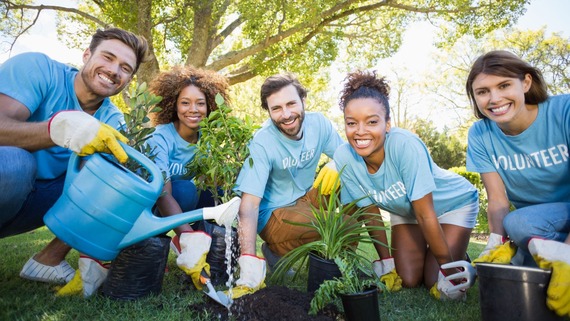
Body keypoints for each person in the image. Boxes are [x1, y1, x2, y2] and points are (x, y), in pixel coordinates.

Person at [0, 27, 149, 288]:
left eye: (125, 68)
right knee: (17, 163)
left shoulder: (113, 121)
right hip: (8, 180)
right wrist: (61, 129)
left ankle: (48, 261)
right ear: (86, 54)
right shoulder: (38, 69)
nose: (114, 70)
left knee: (114, 184)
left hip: (37, 202)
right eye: (107, 57)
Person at [333, 70, 480, 300]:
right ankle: (440, 249)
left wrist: (450, 273)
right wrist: (386, 264)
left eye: (372, 122)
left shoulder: (405, 146)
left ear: (387, 124)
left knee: (434, 279)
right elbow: (368, 212)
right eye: (352, 123)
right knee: (409, 279)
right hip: (407, 212)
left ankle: (457, 257)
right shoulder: (344, 157)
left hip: (452, 205)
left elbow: (426, 214)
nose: (360, 131)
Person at [230, 73, 344, 298]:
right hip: (274, 213)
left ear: (303, 100)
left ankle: (302, 256)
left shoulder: (319, 123)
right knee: (341, 227)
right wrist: (249, 266)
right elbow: (249, 205)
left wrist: (338, 163)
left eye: (291, 103)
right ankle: (280, 247)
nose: (286, 114)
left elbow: (348, 157)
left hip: (305, 199)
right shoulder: (263, 141)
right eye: (277, 108)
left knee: (347, 177)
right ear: (269, 112)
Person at [464, 50, 570, 267]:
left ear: (526, 83)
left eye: (504, 86)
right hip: (534, 227)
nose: (495, 99)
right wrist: (494, 247)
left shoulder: (564, 110)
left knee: (520, 222)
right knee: (518, 226)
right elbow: (497, 200)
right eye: (483, 91)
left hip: (543, 220)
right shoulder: (480, 134)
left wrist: (567, 256)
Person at [146, 65, 238, 287]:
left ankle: (208, 254)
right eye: (185, 102)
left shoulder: (207, 141)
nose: (193, 109)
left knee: (218, 192)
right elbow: (162, 194)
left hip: (183, 207)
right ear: (174, 105)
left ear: (210, 107)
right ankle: (178, 244)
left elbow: (213, 189)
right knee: (185, 190)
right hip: (151, 207)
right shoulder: (161, 137)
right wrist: (188, 239)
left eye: (200, 103)